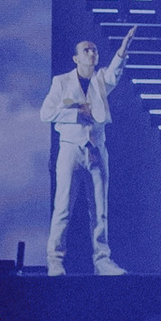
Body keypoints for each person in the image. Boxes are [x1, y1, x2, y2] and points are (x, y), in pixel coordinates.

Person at [41, 29, 135, 276]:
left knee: (99, 208)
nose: (92, 53)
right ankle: (55, 259)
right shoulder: (61, 82)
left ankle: (102, 259)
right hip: (71, 148)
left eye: (94, 50)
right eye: (87, 50)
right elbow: (46, 113)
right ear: (76, 58)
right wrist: (75, 113)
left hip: (96, 148)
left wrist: (123, 48)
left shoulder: (101, 79)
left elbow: (115, 72)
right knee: (63, 206)